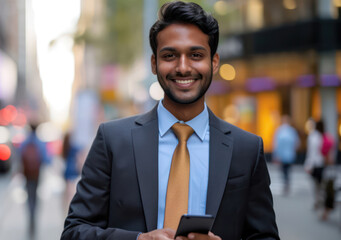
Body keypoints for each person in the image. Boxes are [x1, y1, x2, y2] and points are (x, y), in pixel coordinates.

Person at [62, 2, 279, 240]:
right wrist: (139, 239)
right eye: (170, 55)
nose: (183, 67)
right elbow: (74, 231)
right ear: (154, 63)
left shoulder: (247, 149)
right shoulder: (113, 140)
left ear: (214, 62)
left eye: (196, 55)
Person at [20, 122, 50, 236]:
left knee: (29, 195)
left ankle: (30, 215)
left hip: (27, 174)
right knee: (35, 196)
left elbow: (19, 154)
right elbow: (46, 158)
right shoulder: (39, 142)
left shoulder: (25, 141)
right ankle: (34, 216)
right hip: (36, 174)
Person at [272, 115, 300, 195]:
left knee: (283, 170)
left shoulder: (279, 131)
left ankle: (286, 183)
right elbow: (297, 143)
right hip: (290, 155)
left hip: (282, 155)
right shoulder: (292, 131)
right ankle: (287, 183)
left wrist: (275, 155)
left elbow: (276, 144)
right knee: (287, 170)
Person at [304, 119, 325, 210]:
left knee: (315, 183)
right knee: (319, 183)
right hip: (320, 162)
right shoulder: (322, 136)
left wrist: (308, 164)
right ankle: (319, 199)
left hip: (315, 163)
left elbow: (311, 152)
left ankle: (317, 200)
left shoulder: (312, 136)